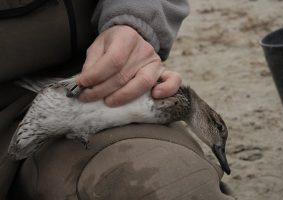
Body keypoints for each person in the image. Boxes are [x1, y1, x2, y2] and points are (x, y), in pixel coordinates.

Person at [0, 0, 234, 199]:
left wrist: (133, 22)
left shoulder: (176, 100)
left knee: (177, 182)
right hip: (49, 97)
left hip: (80, 80)